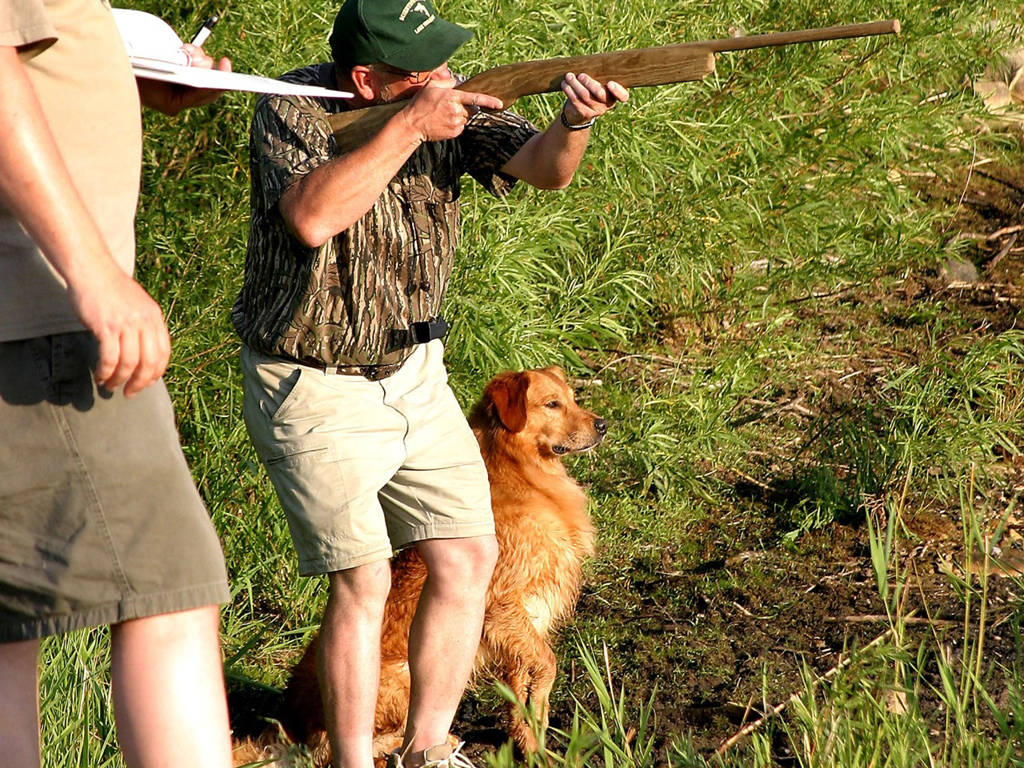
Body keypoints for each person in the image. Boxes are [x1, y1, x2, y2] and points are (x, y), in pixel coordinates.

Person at [233, 0, 628, 766]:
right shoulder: (291, 108)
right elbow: (313, 218)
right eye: (422, 72)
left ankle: (428, 747)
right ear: (364, 80)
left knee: (467, 554)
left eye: (445, 61)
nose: (445, 78)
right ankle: (350, 759)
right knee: (363, 577)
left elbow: (543, 170)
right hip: (316, 383)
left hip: (416, 373)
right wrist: (413, 126)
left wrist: (574, 122)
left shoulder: (449, 104)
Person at [0, 1, 236, 766]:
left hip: (34, 312)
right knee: (169, 593)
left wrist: (128, 77)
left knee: (8, 631)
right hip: (43, 318)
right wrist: (93, 271)